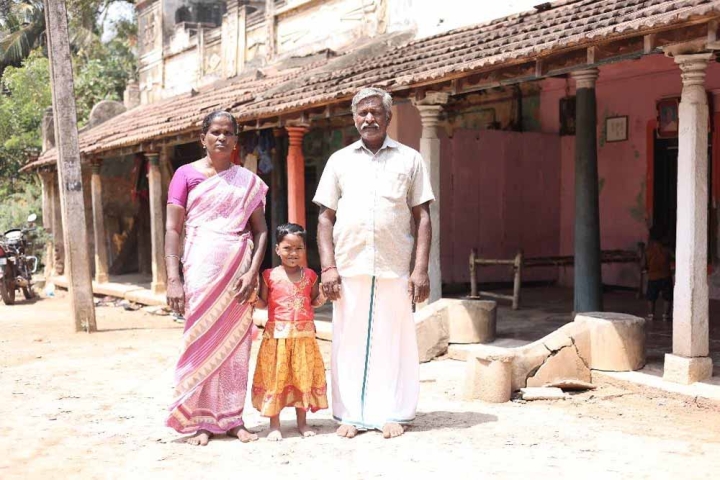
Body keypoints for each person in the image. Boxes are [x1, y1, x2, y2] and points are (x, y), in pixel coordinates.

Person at [313, 87, 434, 440]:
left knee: (394, 340)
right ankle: (349, 414)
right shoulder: (339, 161)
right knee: (348, 341)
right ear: (354, 119)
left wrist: (420, 268)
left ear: (388, 117)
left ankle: (394, 413)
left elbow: (422, 216)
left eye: (375, 112)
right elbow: (324, 218)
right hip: (349, 266)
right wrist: (328, 267)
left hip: (395, 265)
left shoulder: (410, 160)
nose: (369, 118)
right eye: (362, 113)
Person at [164, 110, 268, 446]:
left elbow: (261, 230)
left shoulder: (248, 181)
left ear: (236, 140)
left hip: (238, 273)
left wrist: (253, 273)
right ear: (203, 138)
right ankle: (201, 420)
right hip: (200, 271)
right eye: (215, 132)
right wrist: (172, 277)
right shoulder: (185, 175)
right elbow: (172, 228)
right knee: (201, 342)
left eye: (228, 133)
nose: (221, 138)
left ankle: (232, 418)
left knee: (237, 345)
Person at [251, 223, 328, 441]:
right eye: (287, 248)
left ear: (304, 249)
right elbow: (263, 303)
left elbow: (313, 302)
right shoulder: (269, 275)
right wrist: (249, 296)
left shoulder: (311, 276)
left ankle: (302, 424)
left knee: (302, 378)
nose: (293, 253)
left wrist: (325, 295)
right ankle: (275, 425)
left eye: (298, 248)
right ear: (277, 249)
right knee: (276, 379)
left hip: (303, 339)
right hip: (277, 340)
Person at [644, 226, 674, 321]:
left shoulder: (648, 250)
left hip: (653, 277)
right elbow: (674, 257)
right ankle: (665, 315)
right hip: (666, 275)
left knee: (651, 297)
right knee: (667, 296)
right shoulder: (666, 250)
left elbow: (643, 264)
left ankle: (650, 315)